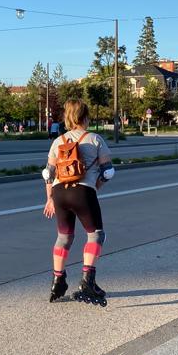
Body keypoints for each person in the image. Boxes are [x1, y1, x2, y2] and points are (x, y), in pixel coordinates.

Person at [42, 99, 116, 306]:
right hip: (83, 193)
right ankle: (87, 282)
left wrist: (50, 199)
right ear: (85, 116)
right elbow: (108, 171)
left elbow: (48, 174)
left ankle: (58, 280)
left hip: (59, 193)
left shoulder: (58, 141)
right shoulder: (95, 139)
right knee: (96, 235)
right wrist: (93, 187)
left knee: (63, 237)